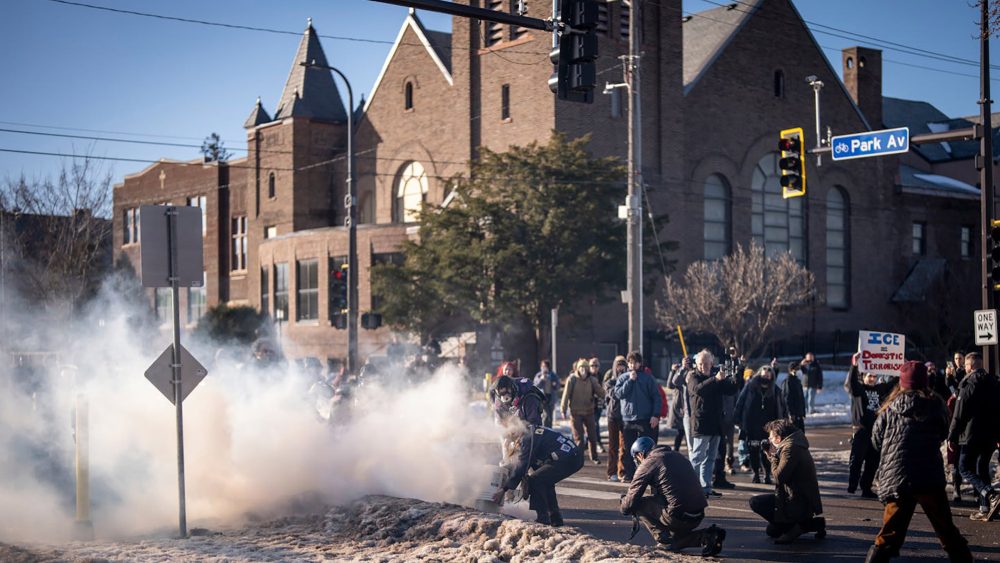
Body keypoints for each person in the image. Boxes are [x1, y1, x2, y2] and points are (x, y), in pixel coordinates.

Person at [866, 361, 973, 562]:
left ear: (902, 383)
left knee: (888, 534)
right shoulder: (936, 405)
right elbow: (944, 432)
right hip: (928, 475)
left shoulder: (890, 408)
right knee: (946, 530)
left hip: (897, 477)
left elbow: (876, 440)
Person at [620, 437, 726, 556]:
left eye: (636, 457)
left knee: (638, 504)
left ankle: (664, 541)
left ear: (640, 454)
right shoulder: (678, 456)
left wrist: (623, 503)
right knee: (675, 540)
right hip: (697, 515)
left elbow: (630, 503)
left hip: (677, 516)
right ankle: (707, 536)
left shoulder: (648, 462)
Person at [749, 419, 825, 544]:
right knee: (772, 531)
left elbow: (779, 477)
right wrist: (772, 454)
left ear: (778, 438)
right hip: (796, 497)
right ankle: (811, 524)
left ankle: (796, 528)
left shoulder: (790, 448)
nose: (769, 440)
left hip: (797, 500)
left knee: (755, 502)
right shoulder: (794, 443)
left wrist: (773, 456)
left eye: (771, 437)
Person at [492, 423, 584, 526]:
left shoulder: (527, 438)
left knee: (535, 480)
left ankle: (542, 518)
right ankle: (555, 518)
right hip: (573, 456)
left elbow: (523, 464)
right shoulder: (532, 431)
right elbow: (525, 463)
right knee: (545, 481)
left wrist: (504, 489)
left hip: (568, 458)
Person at [948, 351, 1000, 521]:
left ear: (969, 366)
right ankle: (984, 508)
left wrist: (952, 436)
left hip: (971, 434)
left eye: (965, 365)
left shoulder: (968, 383)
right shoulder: (994, 382)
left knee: (964, 468)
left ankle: (990, 494)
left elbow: (959, 412)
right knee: (982, 468)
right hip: (990, 435)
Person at [685, 349, 738, 497]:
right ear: (696, 364)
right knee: (697, 457)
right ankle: (692, 488)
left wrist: (736, 376)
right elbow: (698, 390)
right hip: (701, 424)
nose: (704, 366)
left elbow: (730, 390)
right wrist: (716, 379)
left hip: (716, 424)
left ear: (711, 363)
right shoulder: (693, 377)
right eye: (701, 364)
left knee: (711, 458)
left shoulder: (716, 377)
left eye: (706, 363)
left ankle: (706, 487)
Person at [845, 352, 898, 498]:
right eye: (869, 376)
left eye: (874, 376)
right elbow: (852, 383)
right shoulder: (860, 389)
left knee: (873, 462)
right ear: (864, 377)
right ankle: (852, 485)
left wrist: (900, 365)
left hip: (876, 432)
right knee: (856, 460)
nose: (872, 378)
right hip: (862, 431)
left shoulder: (880, 389)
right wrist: (854, 365)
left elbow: (894, 383)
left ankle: (866, 488)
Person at [614, 351, 663, 481]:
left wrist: (655, 415)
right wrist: (630, 381)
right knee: (629, 449)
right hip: (628, 419)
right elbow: (618, 394)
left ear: (640, 363)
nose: (632, 365)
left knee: (647, 449)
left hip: (645, 419)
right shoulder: (623, 378)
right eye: (630, 362)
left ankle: (647, 475)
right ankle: (630, 474)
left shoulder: (648, 378)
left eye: (635, 362)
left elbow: (657, 397)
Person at [735, 365, 787, 484]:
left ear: (772, 376)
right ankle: (756, 474)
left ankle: (767, 474)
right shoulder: (750, 387)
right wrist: (738, 419)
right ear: (759, 374)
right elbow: (740, 402)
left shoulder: (775, 390)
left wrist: (782, 423)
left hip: (769, 428)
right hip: (752, 426)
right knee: (753, 450)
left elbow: (782, 407)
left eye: (769, 374)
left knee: (767, 452)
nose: (766, 375)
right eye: (764, 373)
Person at [561, 358, 606, 464]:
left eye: (585, 367)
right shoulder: (572, 379)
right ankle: (579, 458)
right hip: (575, 412)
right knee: (579, 438)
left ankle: (594, 457)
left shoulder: (592, 380)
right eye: (581, 367)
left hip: (589, 411)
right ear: (577, 368)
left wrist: (607, 394)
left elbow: (601, 392)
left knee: (592, 436)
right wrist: (563, 409)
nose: (583, 370)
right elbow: (565, 395)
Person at [603, 355, 628, 482]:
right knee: (613, 446)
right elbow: (614, 394)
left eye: (623, 366)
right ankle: (611, 472)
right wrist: (621, 381)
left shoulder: (629, 380)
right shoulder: (609, 382)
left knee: (624, 446)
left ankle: (622, 471)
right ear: (614, 367)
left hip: (625, 416)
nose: (621, 368)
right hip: (612, 416)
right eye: (618, 366)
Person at [666, 358, 690, 452]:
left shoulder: (693, 372)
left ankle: (690, 453)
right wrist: (673, 371)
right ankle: (676, 451)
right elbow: (670, 385)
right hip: (679, 406)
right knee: (680, 432)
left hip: (689, 406)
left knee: (688, 433)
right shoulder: (679, 372)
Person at [533, 359, 561, 427]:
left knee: (550, 416)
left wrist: (554, 384)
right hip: (542, 398)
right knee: (545, 415)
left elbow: (558, 385)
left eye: (545, 366)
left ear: (548, 367)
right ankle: (544, 429)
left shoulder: (553, 375)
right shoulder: (539, 375)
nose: (544, 368)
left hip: (551, 398)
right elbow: (535, 386)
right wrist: (541, 379)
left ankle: (549, 430)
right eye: (542, 366)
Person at [588, 357, 606, 453]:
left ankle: (597, 442)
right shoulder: (586, 376)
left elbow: (604, 390)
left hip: (598, 404)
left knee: (595, 423)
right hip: (587, 404)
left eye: (596, 365)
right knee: (590, 424)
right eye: (592, 365)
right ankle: (590, 442)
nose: (594, 367)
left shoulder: (601, 376)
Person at [782, 361, 807, 433]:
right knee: (794, 434)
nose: (799, 371)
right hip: (793, 414)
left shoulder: (797, 381)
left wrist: (803, 412)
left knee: (801, 433)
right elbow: (787, 398)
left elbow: (801, 398)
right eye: (797, 369)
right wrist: (790, 413)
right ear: (792, 370)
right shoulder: (788, 381)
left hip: (799, 413)